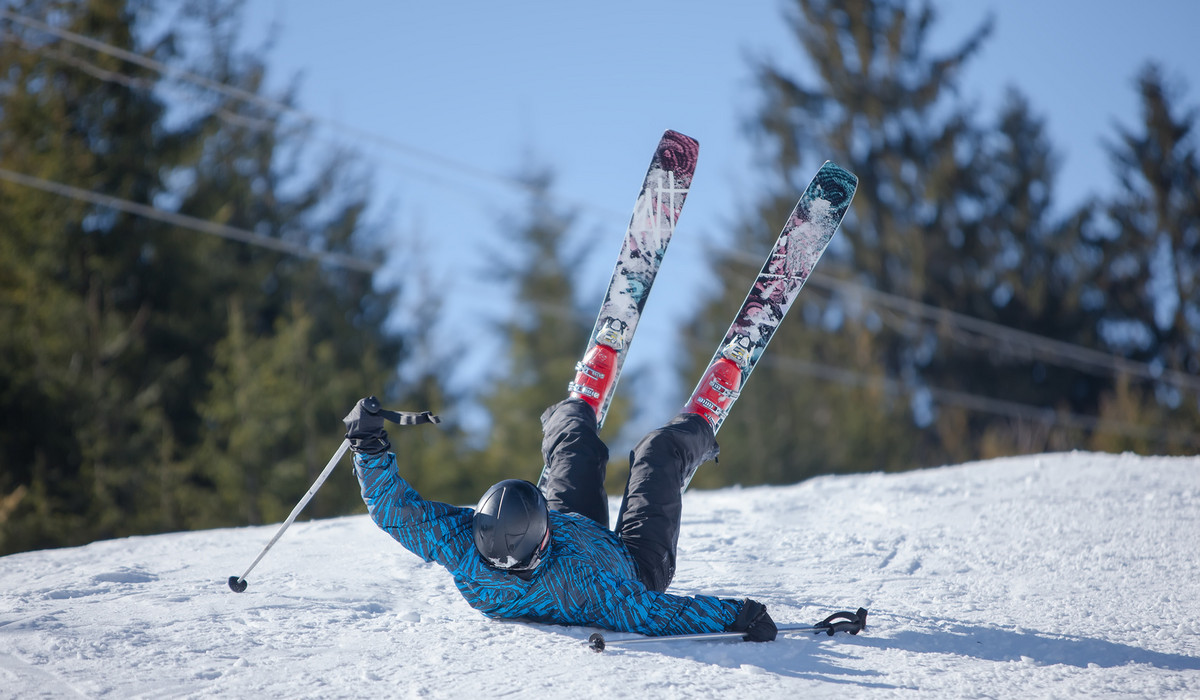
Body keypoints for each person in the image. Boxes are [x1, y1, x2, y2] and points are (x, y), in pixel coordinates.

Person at [344, 338, 777, 641]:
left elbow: (394, 511)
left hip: (577, 529)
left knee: (574, 445)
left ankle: (580, 400)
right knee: (656, 453)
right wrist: (736, 613)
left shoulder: (463, 545)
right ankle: (704, 416)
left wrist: (368, 445)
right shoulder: (586, 587)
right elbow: (654, 614)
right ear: (541, 541)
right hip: (634, 567)